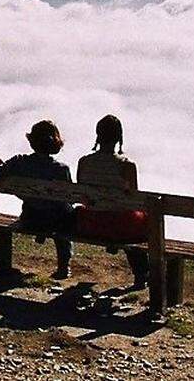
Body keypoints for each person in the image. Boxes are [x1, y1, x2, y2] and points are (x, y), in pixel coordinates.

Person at [0, 120, 74, 279]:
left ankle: (3, 266)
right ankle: (63, 267)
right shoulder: (61, 169)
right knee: (66, 213)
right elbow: (69, 198)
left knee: (53, 211)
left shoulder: (19, 162)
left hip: (30, 218)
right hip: (56, 222)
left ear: (32, 141)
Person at [75, 114, 150, 289]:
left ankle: (142, 274)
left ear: (98, 135)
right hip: (120, 227)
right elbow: (134, 199)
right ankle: (142, 274)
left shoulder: (84, 162)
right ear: (119, 137)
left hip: (89, 224)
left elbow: (81, 195)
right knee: (144, 219)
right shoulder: (127, 165)